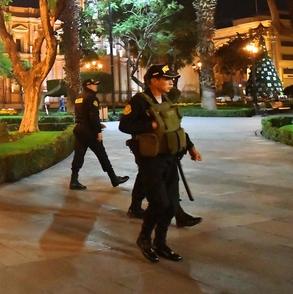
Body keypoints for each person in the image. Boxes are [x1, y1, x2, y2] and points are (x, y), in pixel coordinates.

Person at [119, 64, 203, 263]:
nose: (171, 82)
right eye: (167, 79)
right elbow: (124, 125)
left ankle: (160, 243)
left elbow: (175, 128)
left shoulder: (165, 99)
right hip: (151, 161)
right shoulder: (139, 101)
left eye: (172, 79)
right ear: (153, 80)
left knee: (172, 204)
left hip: (170, 158)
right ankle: (144, 238)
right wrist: (151, 125)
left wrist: (191, 147)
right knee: (160, 203)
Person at [69, 78, 129, 190]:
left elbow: (82, 114)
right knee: (102, 155)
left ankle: (73, 180)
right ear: (88, 85)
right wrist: (98, 131)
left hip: (79, 128)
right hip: (89, 131)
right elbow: (93, 116)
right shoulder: (92, 98)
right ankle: (114, 178)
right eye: (94, 84)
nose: (96, 86)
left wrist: (98, 124)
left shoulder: (79, 97)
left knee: (78, 155)